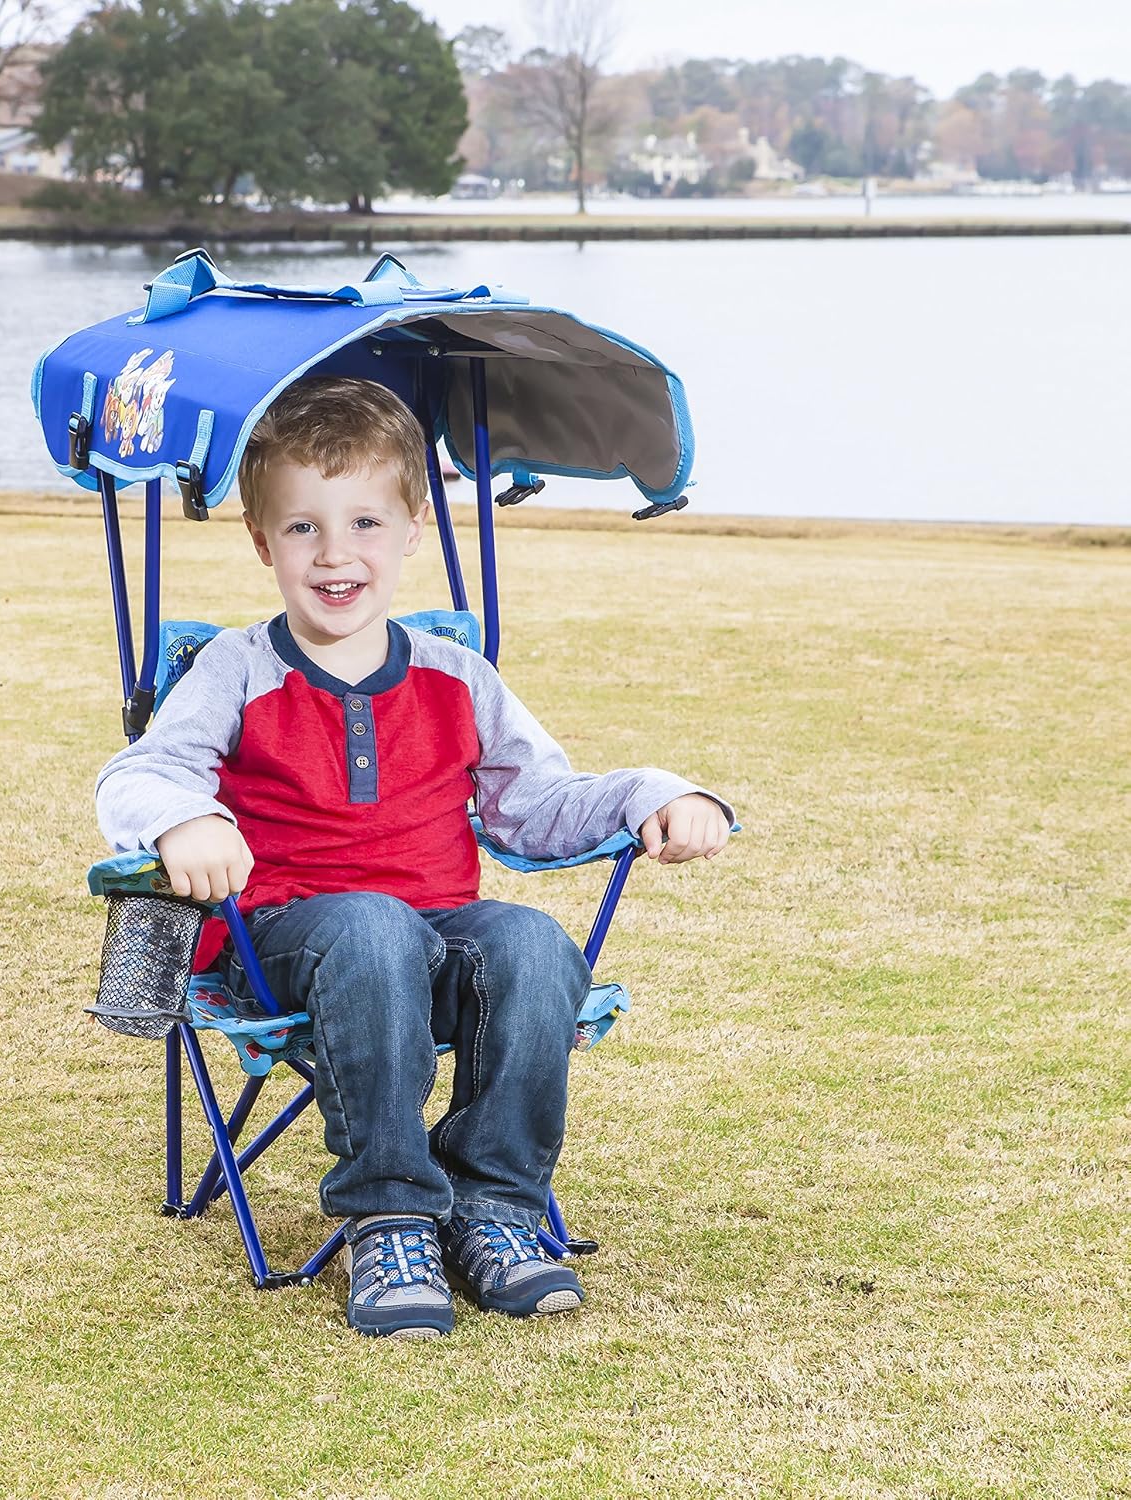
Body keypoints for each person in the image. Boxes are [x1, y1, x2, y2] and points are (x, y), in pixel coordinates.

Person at [95, 377, 734, 1339]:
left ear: (410, 533)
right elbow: (136, 777)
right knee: (370, 925)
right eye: (303, 528)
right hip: (287, 944)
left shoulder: (456, 674)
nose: (336, 552)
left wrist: (654, 792)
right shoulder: (234, 668)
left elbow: (537, 808)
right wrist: (184, 821)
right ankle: (389, 1212)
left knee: (528, 941)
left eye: (363, 522)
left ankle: (496, 1205)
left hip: (436, 942)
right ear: (263, 544)